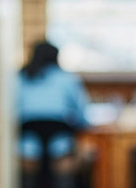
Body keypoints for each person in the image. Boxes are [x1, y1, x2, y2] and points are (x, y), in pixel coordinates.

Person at [17, 41, 91, 188]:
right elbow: (83, 115)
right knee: (81, 156)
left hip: (26, 144)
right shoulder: (67, 79)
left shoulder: (19, 78)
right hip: (60, 143)